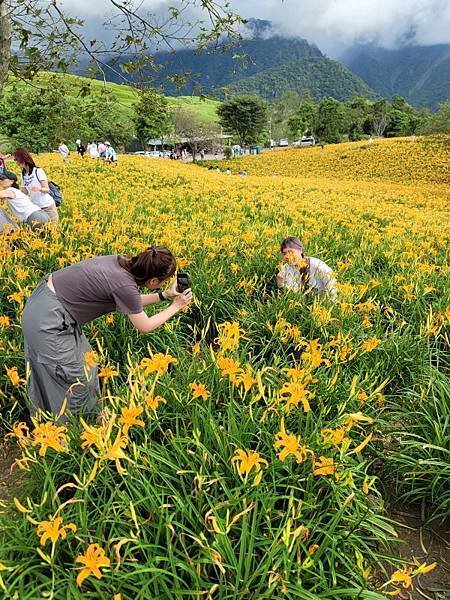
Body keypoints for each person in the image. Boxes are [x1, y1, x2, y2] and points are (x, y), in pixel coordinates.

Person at [21, 247, 192, 421]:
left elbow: (129, 300)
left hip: (43, 304)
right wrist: (175, 307)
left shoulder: (118, 262)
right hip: (49, 321)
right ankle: (75, 431)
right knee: (78, 380)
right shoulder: (124, 285)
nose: (163, 284)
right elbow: (145, 325)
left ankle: (47, 418)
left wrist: (165, 295)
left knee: (87, 365)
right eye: (163, 282)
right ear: (154, 280)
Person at [12, 148, 58, 223]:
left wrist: (39, 189)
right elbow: (24, 192)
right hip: (35, 208)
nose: (16, 162)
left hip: (47, 206)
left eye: (16, 159)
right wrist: (13, 194)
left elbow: (47, 189)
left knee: (53, 230)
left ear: (22, 159)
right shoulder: (23, 175)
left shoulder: (38, 171)